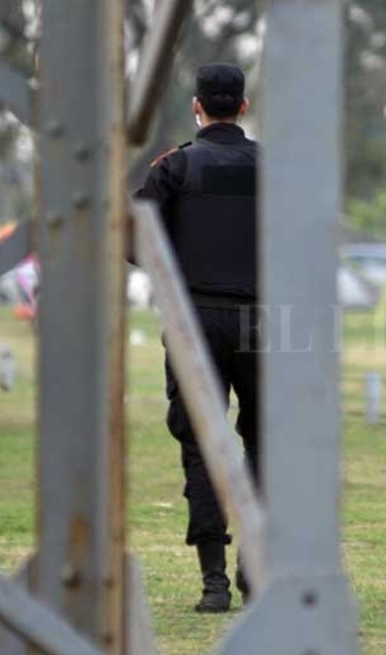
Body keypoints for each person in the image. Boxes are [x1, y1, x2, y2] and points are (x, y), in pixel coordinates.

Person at [133, 62, 260, 614]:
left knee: (202, 445)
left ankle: (214, 583)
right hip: (264, 322)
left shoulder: (176, 167)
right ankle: (255, 567)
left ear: (197, 106)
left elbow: (133, 236)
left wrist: (173, 269)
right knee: (266, 445)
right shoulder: (275, 168)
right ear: (244, 107)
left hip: (194, 320)